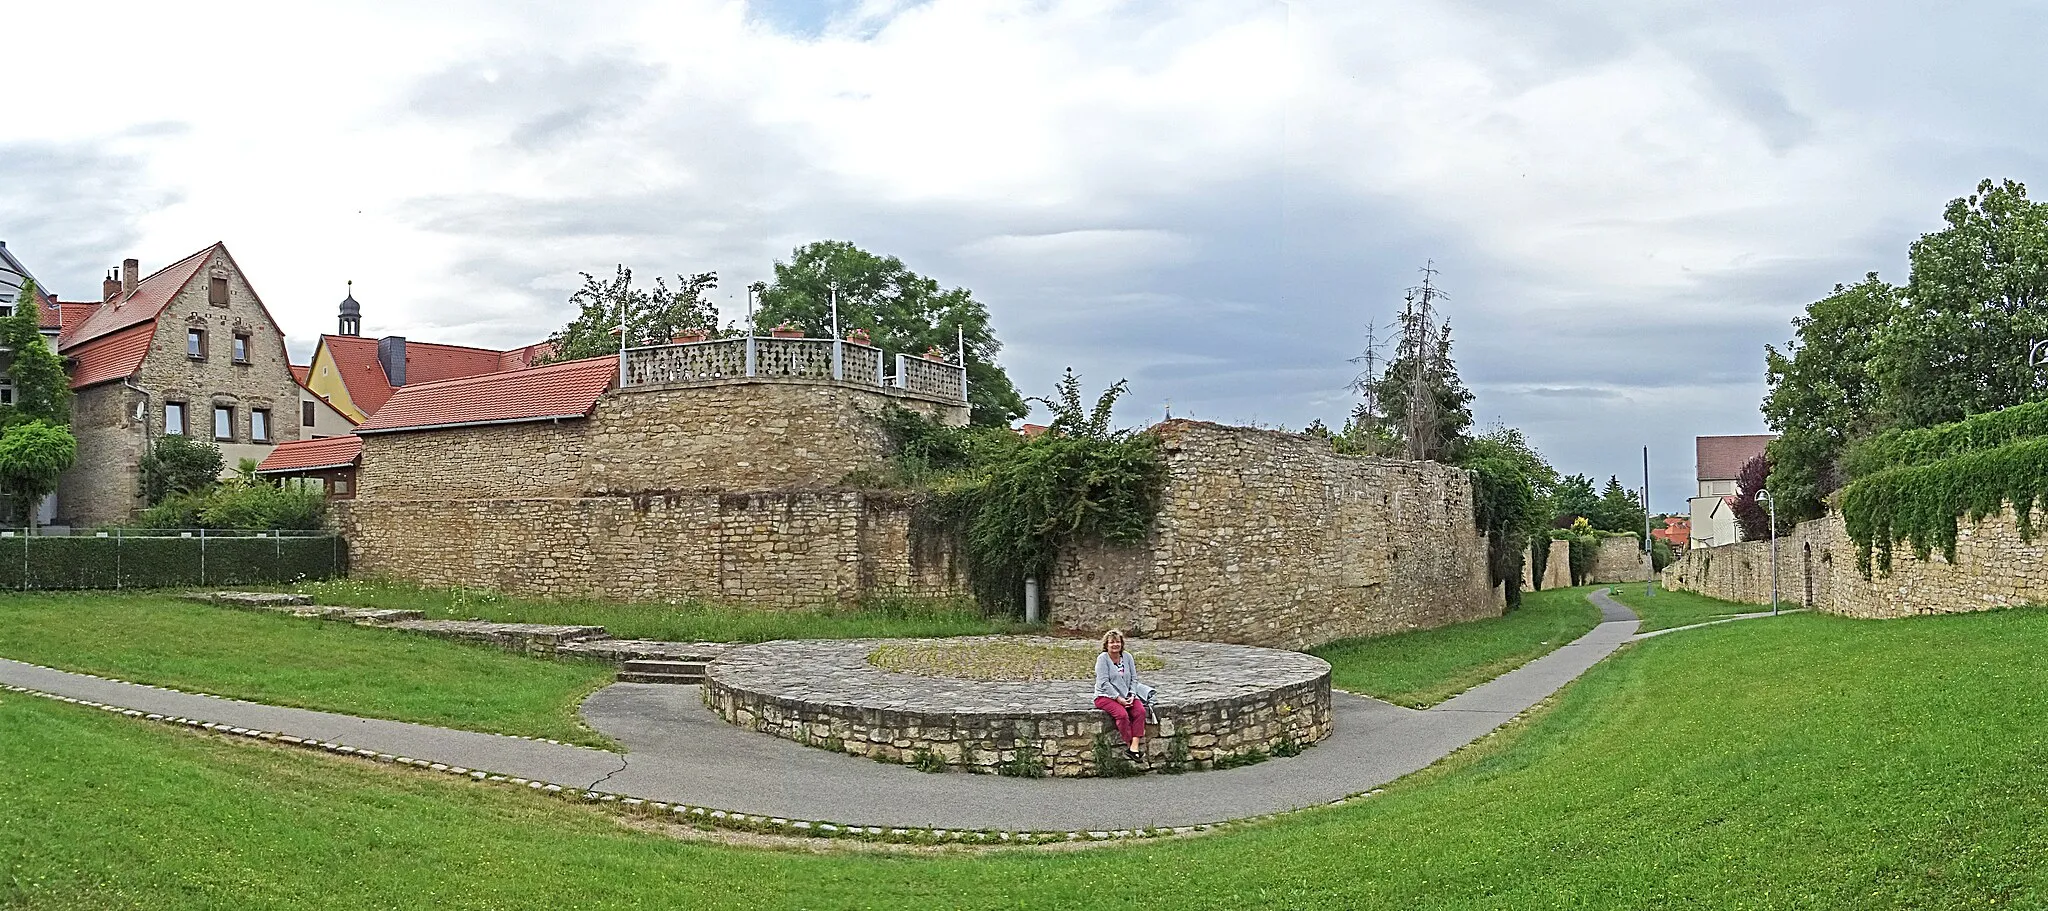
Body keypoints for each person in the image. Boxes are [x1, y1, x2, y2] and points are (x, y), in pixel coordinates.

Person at [1094, 629, 1148, 757]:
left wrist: (1132, 694)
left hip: (1127, 695)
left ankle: (1134, 746)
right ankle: (1130, 745)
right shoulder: (1103, 659)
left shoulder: (1127, 657)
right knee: (1122, 715)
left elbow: (1134, 679)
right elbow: (1104, 682)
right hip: (1105, 696)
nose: (1115, 645)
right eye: (1112, 642)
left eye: (1117, 642)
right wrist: (1118, 699)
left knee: (1140, 711)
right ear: (1106, 645)